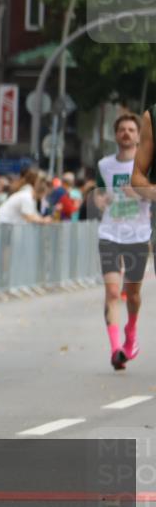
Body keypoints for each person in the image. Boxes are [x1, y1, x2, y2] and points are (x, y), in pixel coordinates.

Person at [94, 113, 150, 370]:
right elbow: (98, 193)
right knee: (113, 292)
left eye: (131, 129)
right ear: (115, 135)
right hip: (110, 234)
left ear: (139, 136)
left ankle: (131, 330)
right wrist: (99, 201)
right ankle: (116, 349)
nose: (126, 133)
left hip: (138, 235)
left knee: (133, 295)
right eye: (122, 130)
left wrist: (141, 191)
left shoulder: (146, 166)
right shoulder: (104, 165)